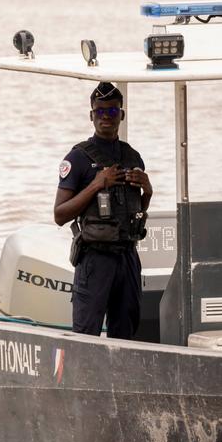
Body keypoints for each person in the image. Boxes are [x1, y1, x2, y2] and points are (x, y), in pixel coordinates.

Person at [54, 82, 152, 338]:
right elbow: (59, 215)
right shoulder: (77, 158)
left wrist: (148, 192)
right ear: (91, 115)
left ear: (122, 114)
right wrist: (97, 185)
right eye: (100, 112)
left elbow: (136, 216)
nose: (105, 117)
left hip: (128, 257)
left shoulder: (133, 157)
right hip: (95, 259)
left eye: (111, 111)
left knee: (127, 333)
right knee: (86, 335)